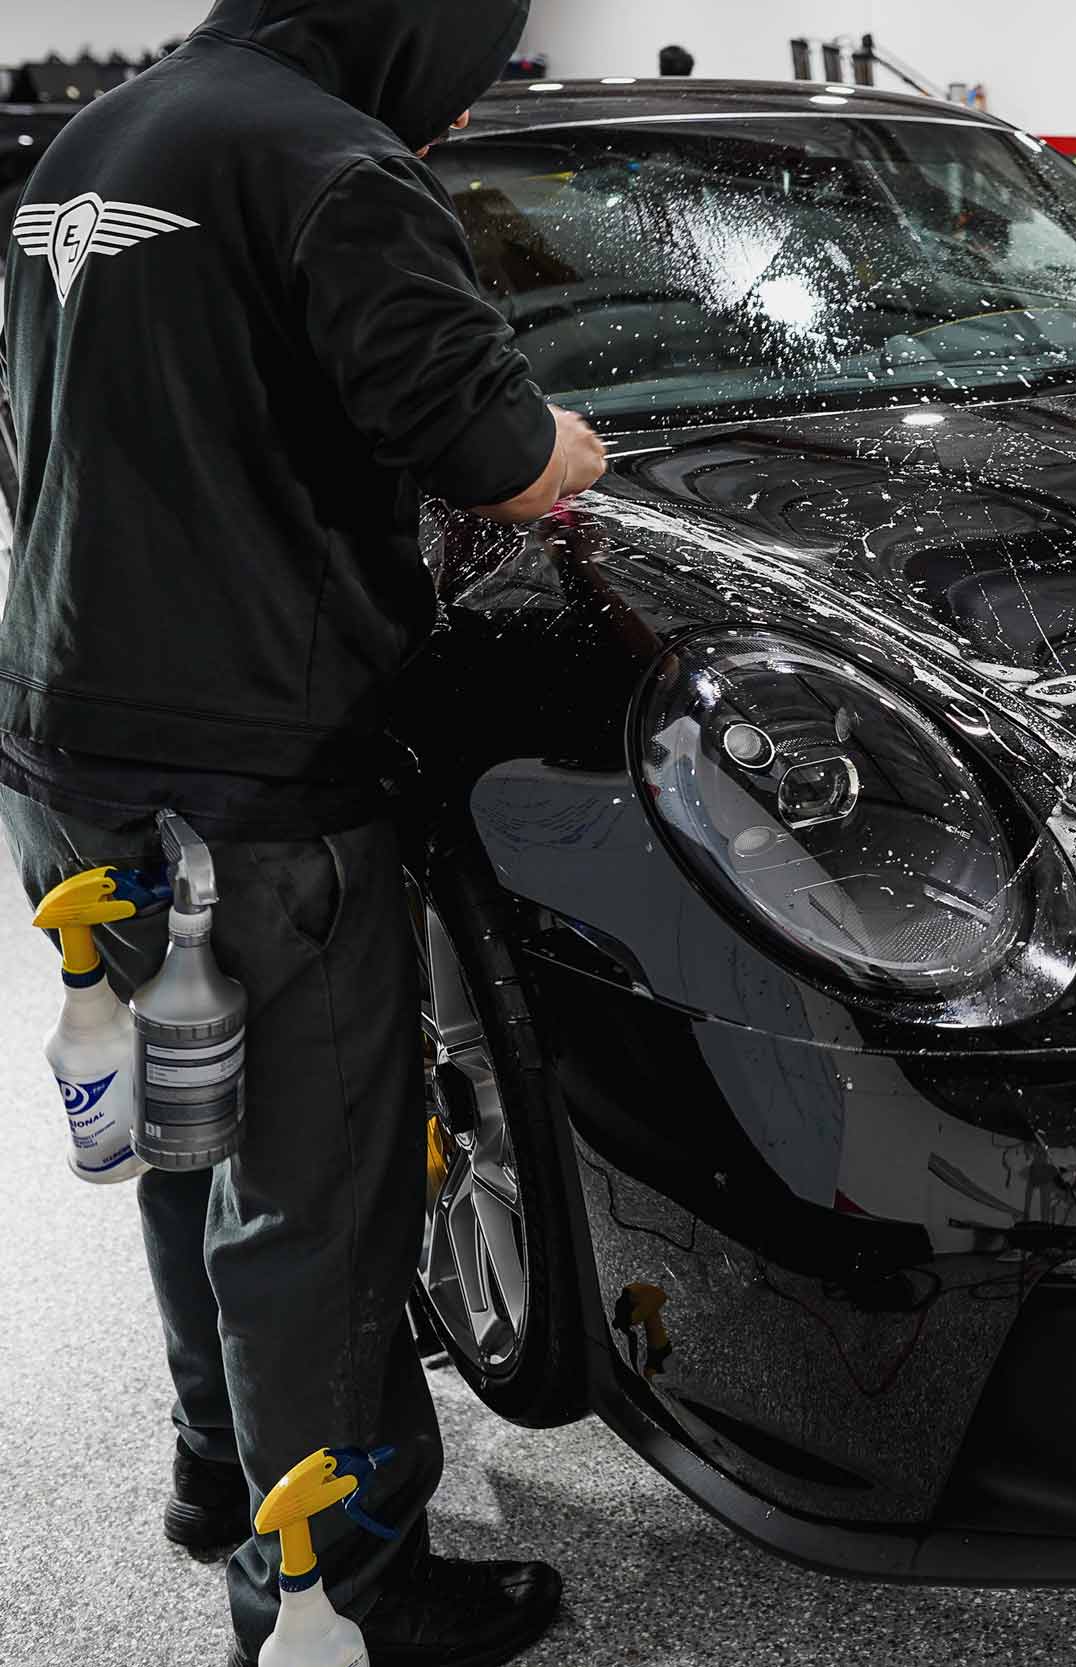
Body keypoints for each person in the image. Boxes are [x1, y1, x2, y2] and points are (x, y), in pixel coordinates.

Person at [0, 2, 605, 1664]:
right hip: (255, 778)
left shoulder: (101, 143)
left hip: (67, 742)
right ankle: (349, 1579)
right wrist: (572, 446)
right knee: (315, 1196)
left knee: (182, 1133)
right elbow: (493, 454)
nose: (469, 106)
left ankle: (218, 1464)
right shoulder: (332, 165)